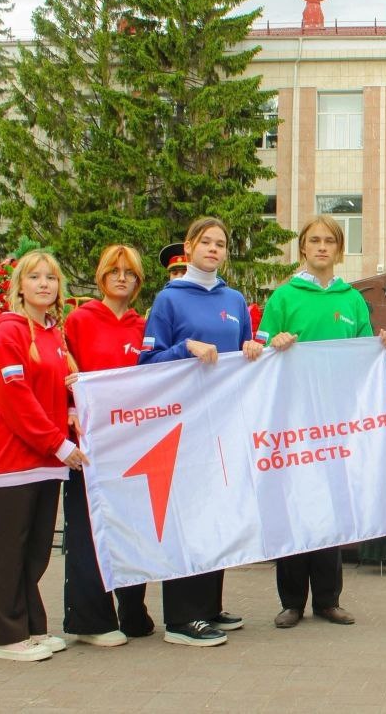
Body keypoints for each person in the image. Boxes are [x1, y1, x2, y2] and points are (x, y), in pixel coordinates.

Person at [258, 214, 386, 630]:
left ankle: (327, 599)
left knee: (331, 507)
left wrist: (384, 349)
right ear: (303, 248)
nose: (322, 247)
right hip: (293, 421)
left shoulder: (351, 300)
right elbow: (260, 353)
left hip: (335, 423)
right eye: (314, 240)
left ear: (339, 249)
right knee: (294, 506)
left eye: (329, 241)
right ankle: (290, 602)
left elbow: (362, 359)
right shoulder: (283, 298)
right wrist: (274, 344)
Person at [139, 218, 266, 647]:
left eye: (221, 244)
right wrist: (185, 348)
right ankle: (181, 617)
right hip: (184, 423)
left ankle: (209, 605)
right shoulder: (168, 300)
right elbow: (148, 365)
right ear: (190, 247)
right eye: (206, 242)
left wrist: (252, 350)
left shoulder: (233, 298)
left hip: (224, 421)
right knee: (187, 518)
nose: (214, 249)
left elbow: (247, 356)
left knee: (216, 513)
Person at [0, 250, 88, 662]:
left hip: (46, 460)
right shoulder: (8, 332)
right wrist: (59, 444)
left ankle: (31, 627)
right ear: (19, 287)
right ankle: (5, 638)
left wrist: (73, 412)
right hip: (14, 460)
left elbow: (58, 389)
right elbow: (15, 399)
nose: (45, 284)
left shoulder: (53, 336)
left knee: (36, 549)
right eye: (35, 277)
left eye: (52, 278)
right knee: (9, 550)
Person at [61, 245, 155, 647]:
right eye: (114, 271)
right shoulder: (79, 321)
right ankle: (90, 621)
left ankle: (133, 611)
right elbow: (61, 374)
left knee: (135, 528)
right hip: (90, 445)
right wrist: (67, 410)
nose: (122, 278)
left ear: (137, 282)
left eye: (129, 273)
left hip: (132, 444)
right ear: (101, 277)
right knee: (88, 530)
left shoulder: (143, 326)